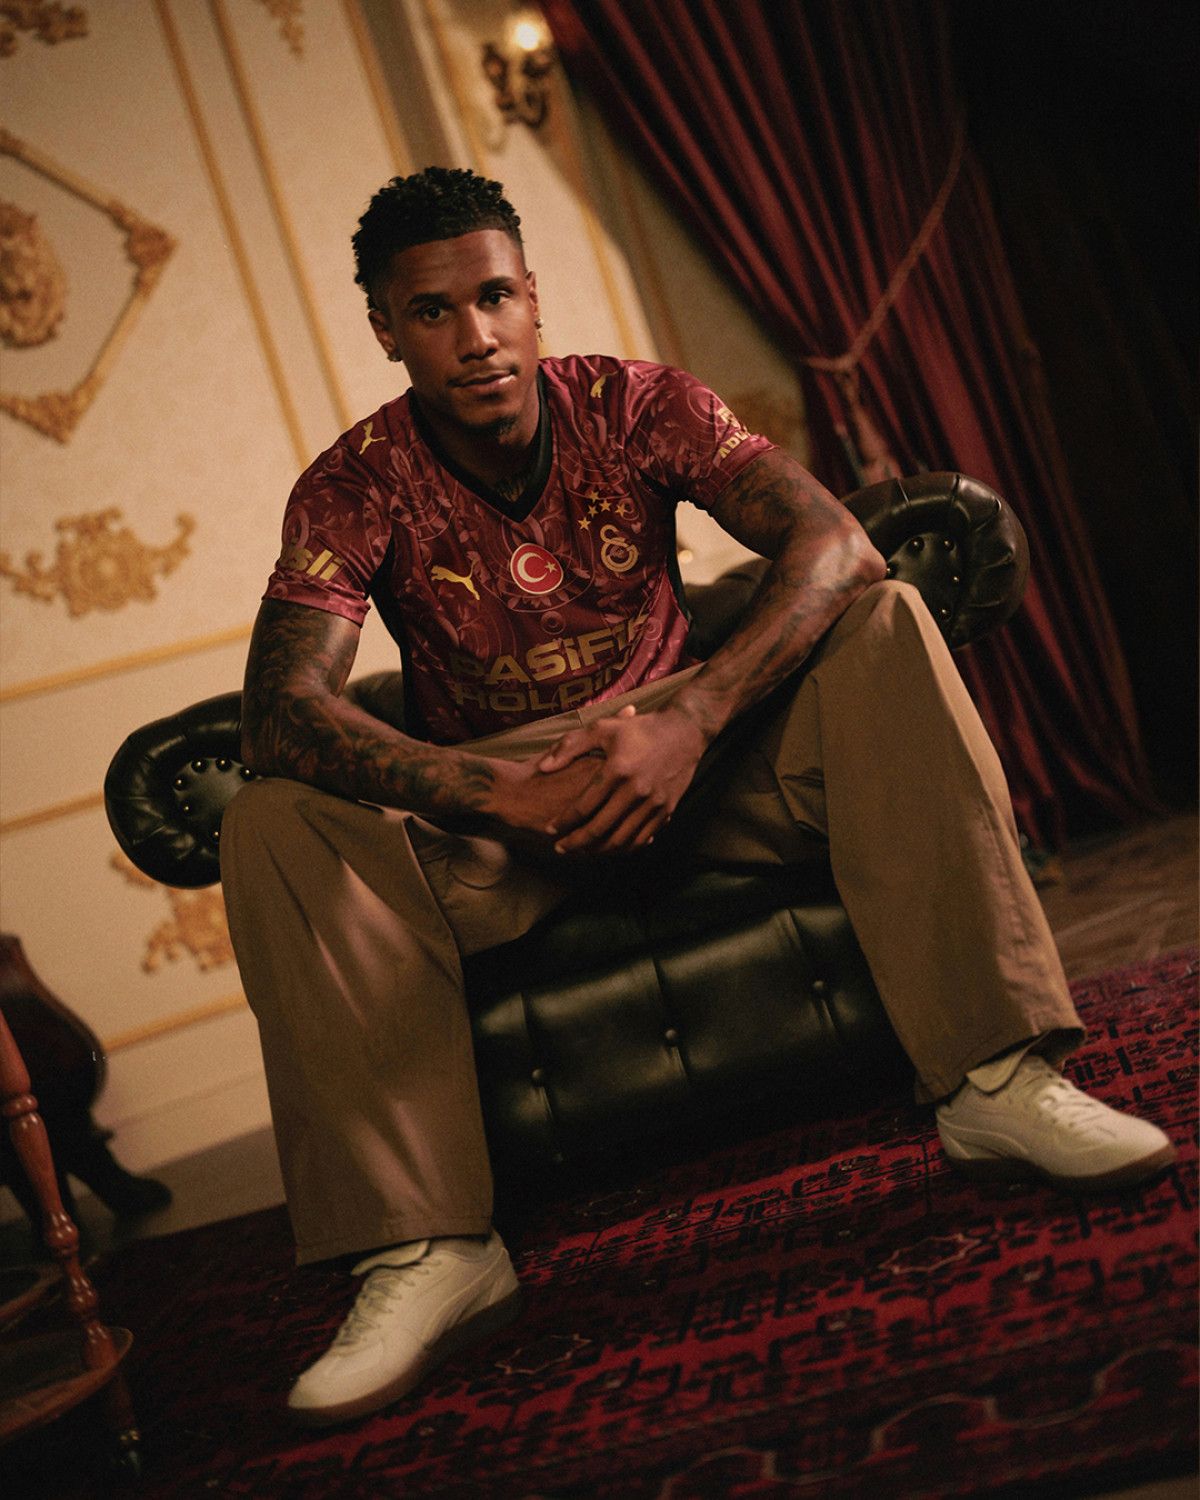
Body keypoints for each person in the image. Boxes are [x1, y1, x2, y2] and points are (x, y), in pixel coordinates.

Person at [220, 167, 1175, 1427]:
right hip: (504, 821)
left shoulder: (637, 403)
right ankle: (427, 1248)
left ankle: (997, 1080)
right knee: (269, 815)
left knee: (885, 619)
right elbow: (282, 709)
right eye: (434, 312)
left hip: (702, 766)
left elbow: (835, 542)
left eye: (494, 296)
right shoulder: (354, 483)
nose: (476, 335)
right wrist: (488, 795)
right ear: (387, 331)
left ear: (533, 296)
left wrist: (691, 721)